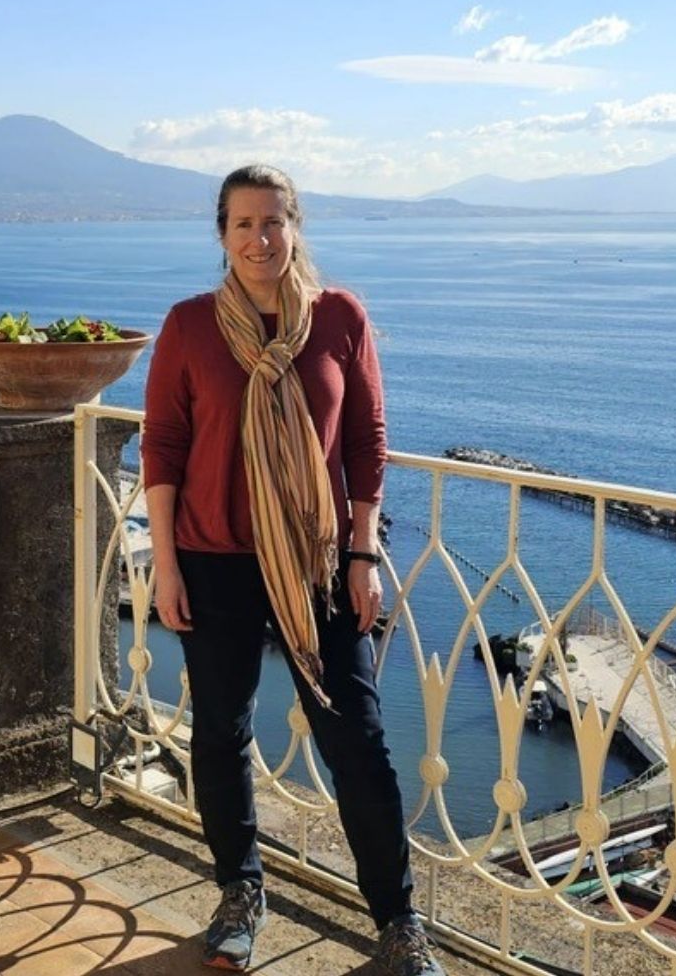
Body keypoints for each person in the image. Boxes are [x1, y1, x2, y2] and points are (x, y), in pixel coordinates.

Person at [141, 164, 445, 975]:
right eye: (243, 224)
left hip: (319, 565)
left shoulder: (339, 317)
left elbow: (366, 442)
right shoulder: (190, 325)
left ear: (295, 226)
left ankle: (399, 923)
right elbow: (162, 447)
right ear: (222, 234)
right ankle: (240, 893)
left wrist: (362, 551)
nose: (259, 239)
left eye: (273, 221)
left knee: (360, 741)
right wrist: (165, 564)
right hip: (211, 560)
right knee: (221, 733)